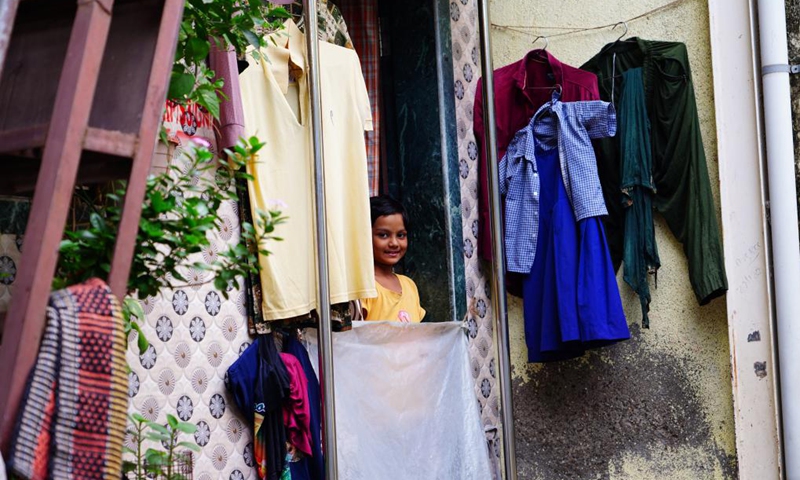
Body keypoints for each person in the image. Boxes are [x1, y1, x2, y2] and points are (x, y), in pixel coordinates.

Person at [361, 195, 426, 322]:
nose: (394, 243)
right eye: (383, 235)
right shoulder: (365, 287)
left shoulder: (409, 285)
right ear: (365, 236)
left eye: (401, 235)